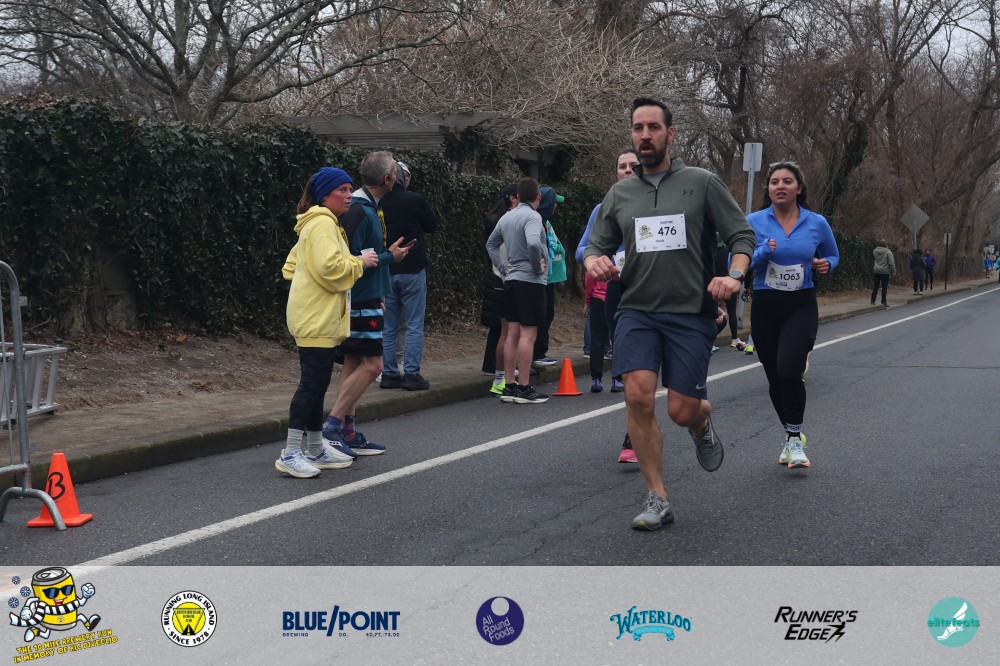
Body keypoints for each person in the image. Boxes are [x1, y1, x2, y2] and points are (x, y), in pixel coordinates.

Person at [584, 98, 755, 530]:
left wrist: (734, 276)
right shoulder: (620, 193)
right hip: (636, 309)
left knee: (681, 410)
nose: (645, 135)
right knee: (638, 396)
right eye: (638, 128)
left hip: (689, 312)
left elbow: (741, 235)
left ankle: (700, 422)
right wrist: (593, 261)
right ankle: (657, 497)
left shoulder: (702, 182)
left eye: (653, 127)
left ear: (670, 134)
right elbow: (595, 245)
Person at [275, 167, 379, 478]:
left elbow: (291, 266)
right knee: (311, 385)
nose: (349, 196)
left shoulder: (320, 223)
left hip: (317, 316)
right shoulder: (321, 224)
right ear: (324, 195)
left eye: (350, 189)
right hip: (315, 319)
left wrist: (308, 281)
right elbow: (331, 268)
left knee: (318, 385)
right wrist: (360, 262)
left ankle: (315, 448)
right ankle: (290, 453)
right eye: (342, 190)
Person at [748, 161, 840, 470]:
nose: (780, 186)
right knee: (774, 377)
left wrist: (827, 265)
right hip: (765, 304)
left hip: (800, 303)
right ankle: (791, 436)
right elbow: (739, 261)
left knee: (789, 371)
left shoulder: (816, 222)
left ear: (799, 188)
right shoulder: (753, 222)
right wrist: (763, 252)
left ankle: (795, 440)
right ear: (768, 189)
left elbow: (833, 254)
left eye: (787, 181)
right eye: (774, 181)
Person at [321, 151, 410, 457]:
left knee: (352, 363)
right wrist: (389, 258)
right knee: (373, 365)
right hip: (359, 298)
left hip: (364, 296)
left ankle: (347, 431)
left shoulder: (365, 207)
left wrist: (381, 284)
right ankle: (332, 426)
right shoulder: (361, 209)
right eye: (396, 171)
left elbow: (361, 254)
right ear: (387, 178)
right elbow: (349, 257)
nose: (399, 175)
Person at [576, 149, 640, 463]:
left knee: (679, 398)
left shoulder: (663, 204)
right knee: (631, 368)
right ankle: (634, 434)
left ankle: (694, 415)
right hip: (619, 291)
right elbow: (582, 249)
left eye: (633, 166)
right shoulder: (604, 208)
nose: (627, 170)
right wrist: (596, 260)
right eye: (622, 166)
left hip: (659, 293)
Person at [486, 177, 550, 404]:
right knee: (528, 335)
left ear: (519, 196)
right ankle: (524, 388)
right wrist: (536, 267)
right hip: (530, 282)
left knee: (512, 334)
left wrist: (503, 268)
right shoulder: (533, 216)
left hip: (511, 281)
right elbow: (533, 243)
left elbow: (491, 245)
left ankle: (509, 386)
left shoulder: (507, 216)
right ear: (538, 196)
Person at [379, 161, 440, 391]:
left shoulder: (378, 203)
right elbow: (432, 225)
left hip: (387, 269)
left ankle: (389, 373)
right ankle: (412, 374)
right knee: (414, 324)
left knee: (389, 326)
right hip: (413, 268)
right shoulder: (415, 200)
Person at [480, 184, 517, 395]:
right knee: (508, 332)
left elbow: (491, 248)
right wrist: (504, 270)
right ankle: (503, 378)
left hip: (499, 277)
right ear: (512, 198)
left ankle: (501, 377)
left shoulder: (498, 220)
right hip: (506, 280)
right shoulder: (508, 222)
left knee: (505, 332)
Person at [532, 187, 566, 368]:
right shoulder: (537, 222)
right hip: (541, 277)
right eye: (554, 203)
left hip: (550, 277)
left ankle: (540, 352)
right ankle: (537, 353)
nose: (555, 207)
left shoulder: (546, 223)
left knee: (548, 313)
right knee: (542, 314)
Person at [871, 239, 895, 307]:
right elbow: (891, 262)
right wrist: (893, 270)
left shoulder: (875, 251)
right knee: (884, 287)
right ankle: (883, 301)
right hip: (885, 272)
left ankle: (873, 300)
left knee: (875, 286)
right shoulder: (888, 252)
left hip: (876, 270)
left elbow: (876, 259)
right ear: (886, 245)